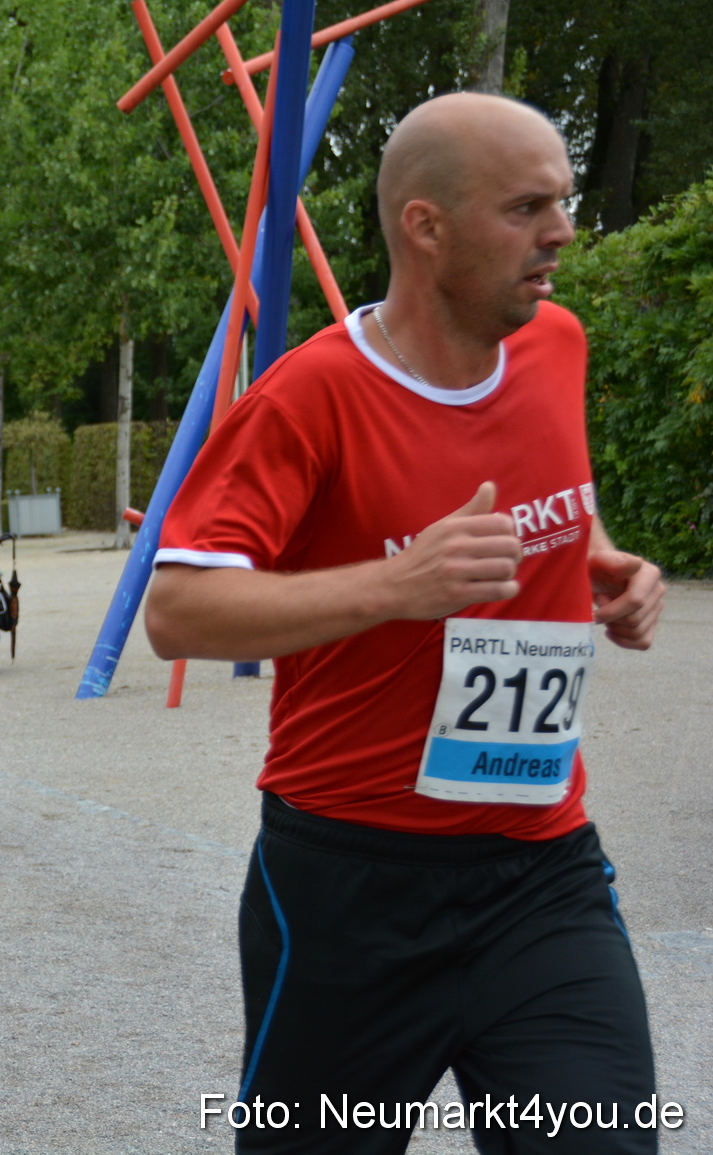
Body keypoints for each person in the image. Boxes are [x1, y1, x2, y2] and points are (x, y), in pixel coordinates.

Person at [144, 93, 667, 1153]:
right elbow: (177, 608)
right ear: (424, 226)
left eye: (561, 202)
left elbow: (547, 474)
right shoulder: (310, 398)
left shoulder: (552, 342)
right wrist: (396, 585)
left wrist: (594, 550)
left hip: (542, 876)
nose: (562, 231)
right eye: (527, 208)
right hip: (351, 893)